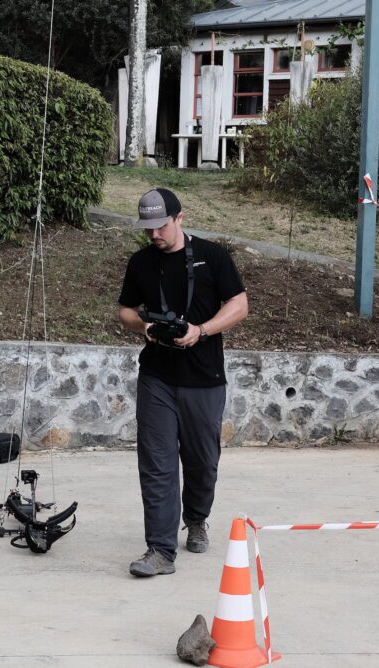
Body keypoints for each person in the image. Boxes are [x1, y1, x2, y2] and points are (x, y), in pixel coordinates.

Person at [117, 188, 248, 577]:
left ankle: (196, 518)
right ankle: (159, 550)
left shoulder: (213, 257)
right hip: (156, 377)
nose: (154, 234)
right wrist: (144, 326)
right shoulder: (141, 262)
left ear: (179, 218)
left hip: (204, 379)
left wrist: (201, 331)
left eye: (160, 226)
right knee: (156, 465)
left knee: (202, 462)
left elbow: (239, 305)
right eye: (147, 228)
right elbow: (125, 309)